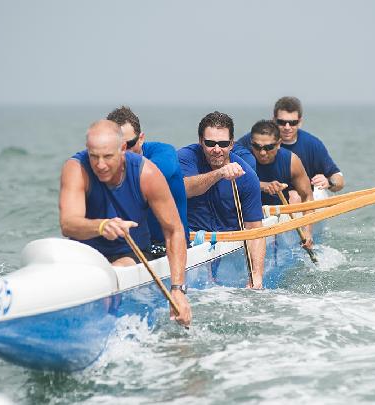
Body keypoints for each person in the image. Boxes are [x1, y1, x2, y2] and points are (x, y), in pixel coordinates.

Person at [59, 120, 191, 325]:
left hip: (130, 253)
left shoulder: (146, 174)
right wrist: (102, 226)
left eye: (108, 157)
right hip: (86, 254)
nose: (100, 165)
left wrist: (177, 290)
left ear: (122, 149)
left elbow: (173, 230)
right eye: (94, 156)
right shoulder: (76, 168)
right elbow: (68, 224)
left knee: (114, 273)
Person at [177, 111, 266, 289]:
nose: (217, 149)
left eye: (223, 144)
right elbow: (185, 188)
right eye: (210, 143)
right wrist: (219, 174)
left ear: (232, 144)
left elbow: (254, 231)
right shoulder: (185, 157)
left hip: (227, 245)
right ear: (201, 141)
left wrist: (256, 275)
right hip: (192, 241)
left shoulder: (247, 176)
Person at [106, 106, 189, 257]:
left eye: (128, 145)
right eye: (116, 147)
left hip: (168, 244)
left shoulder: (164, 152)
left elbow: (156, 173)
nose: (123, 152)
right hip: (131, 246)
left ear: (141, 138)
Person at [237, 96, 344, 201]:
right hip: (265, 196)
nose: (287, 127)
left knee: (294, 196)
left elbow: (339, 180)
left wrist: (329, 183)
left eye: (293, 123)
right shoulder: (255, 139)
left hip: (301, 196)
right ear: (274, 120)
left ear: (300, 122)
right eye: (282, 122)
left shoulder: (312, 144)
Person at [248, 119, 314, 248]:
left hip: (277, 212)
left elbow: (307, 196)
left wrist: (307, 231)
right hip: (250, 214)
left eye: (268, 147)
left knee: (296, 197)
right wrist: (263, 186)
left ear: (278, 144)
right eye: (257, 147)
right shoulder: (243, 159)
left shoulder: (291, 161)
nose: (262, 153)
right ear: (251, 144)